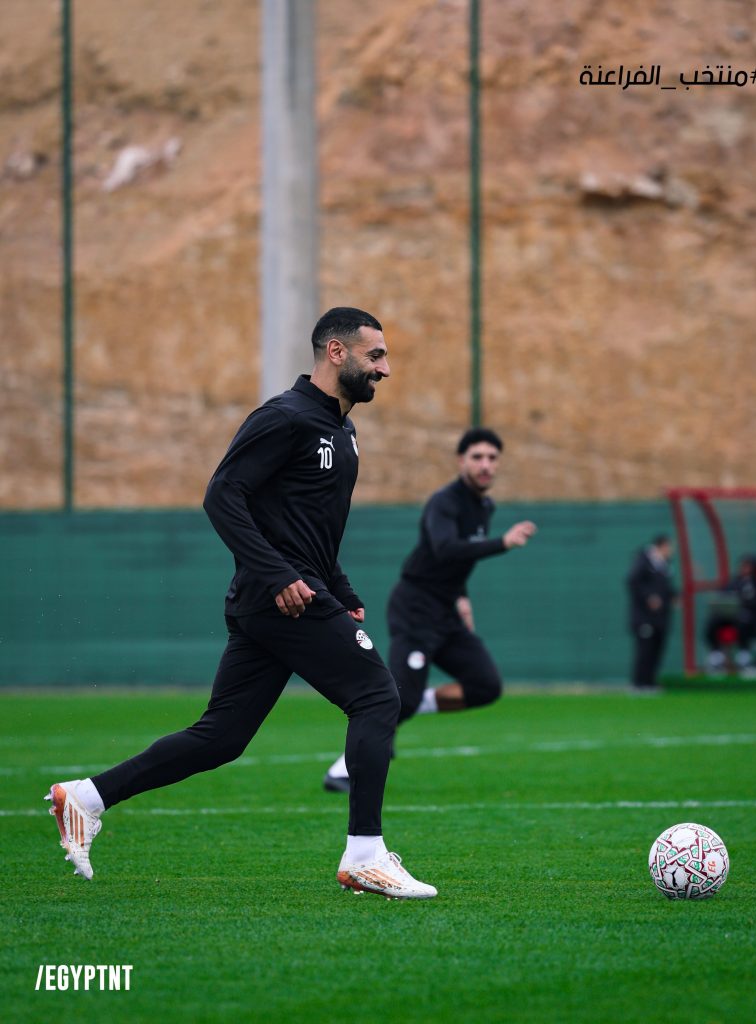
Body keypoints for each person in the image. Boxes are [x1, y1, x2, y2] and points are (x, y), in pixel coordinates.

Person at [45, 307, 437, 900]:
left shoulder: (343, 433)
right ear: (336, 352)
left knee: (221, 737)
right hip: (281, 597)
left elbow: (309, 528)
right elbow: (221, 495)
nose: (384, 369)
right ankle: (365, 855)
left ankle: (85, 797)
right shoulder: (284, 417)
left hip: (290, 595)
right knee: (379, 696)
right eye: (374, 356)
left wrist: (343, 589)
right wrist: (277, 573)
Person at [322, 427, 537, 793]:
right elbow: (445, 549)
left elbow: (456, 564)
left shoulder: (484, 505)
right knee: (397, 696)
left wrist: (461, 597)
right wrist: (502, 543)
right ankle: (342, 769)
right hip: (415, 608)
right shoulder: (445, 502)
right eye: (477, 457)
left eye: (492, 458)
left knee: (485, 685)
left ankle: (410, 702)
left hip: (446, 612)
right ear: (461, 461)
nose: (485, 465)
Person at [626, 535, 677, 690]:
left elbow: (664, 587)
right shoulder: (644, 560)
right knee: (645, 651)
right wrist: (649, 597)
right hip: (644, 618)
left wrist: (673, 596)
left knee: (656, 650)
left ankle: (650, 682)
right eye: (669, 547)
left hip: (660, 619)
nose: (671, 551)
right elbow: (632, 581)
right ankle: (639, 683)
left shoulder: (664, 565)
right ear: (661, 546)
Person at [703, 555, 756, 672]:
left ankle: (743, 657)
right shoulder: (734, 582)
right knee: (713, 621)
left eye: (748, 566)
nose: (744, 568)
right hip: (729, 617)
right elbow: (723, 596)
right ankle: (716, 656)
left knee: (744, 620)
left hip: (747, 619)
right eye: (743, 565)